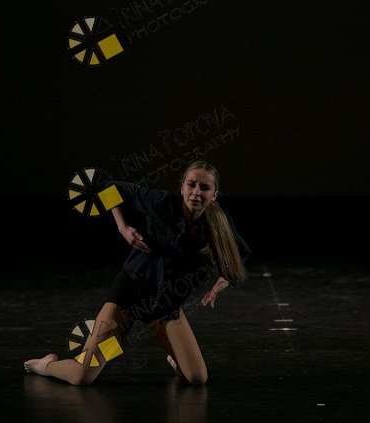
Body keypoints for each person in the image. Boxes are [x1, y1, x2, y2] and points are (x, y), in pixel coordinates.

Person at [24, 160, 250, 386]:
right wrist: (122, 227)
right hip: (129, 300)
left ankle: (176, 358)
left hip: (164, 308)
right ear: (182, 187)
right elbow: (110, 188)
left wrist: (223, 282)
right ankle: (46, 365)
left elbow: (240, 253)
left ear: (214, 194)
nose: (196, 192)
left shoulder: (219, 223)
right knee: (82, 375)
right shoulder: (160, 202)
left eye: (205, 187)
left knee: (197, 378)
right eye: (191, 184)